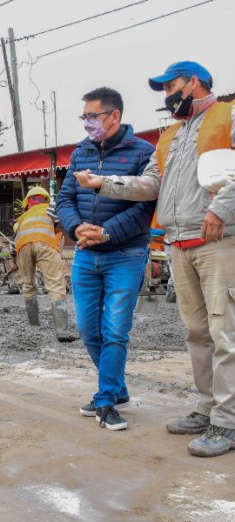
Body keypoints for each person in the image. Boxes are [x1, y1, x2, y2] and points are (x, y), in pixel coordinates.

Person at [75, 62, 235, 456]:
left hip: (218, 240)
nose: (167, 96)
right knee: (197, 333)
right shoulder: (172, 135)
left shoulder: (228, 116)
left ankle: (228, 421)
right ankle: (208, 407)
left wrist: (221, 209)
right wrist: (103, 183)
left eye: (171, 86)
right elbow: (152, 184)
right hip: (180, 243)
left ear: (194, 83)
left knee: (225, 333)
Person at [56, 87, 156, 432]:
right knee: (88, 329)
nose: (87, 123)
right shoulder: (80, 152)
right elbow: (65, 199)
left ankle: (106, 400)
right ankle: (117, 388)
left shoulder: (143, 152)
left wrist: (108, 232)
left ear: (115, 116)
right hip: (85, 253)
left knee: (115, 330)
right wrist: (76, 227)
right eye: (84, 116)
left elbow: (146, 206)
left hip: (125, 254)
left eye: (93, 116)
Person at [9, 187, 74, 342]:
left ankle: (34, 325)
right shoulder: (50, 208)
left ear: (27, 202)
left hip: (23, 247)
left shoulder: (22, 218)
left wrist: (14, 263)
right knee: (55, 285)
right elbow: (61, 225)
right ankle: (62, 330)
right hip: (45, 244)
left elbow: (12, 245)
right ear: (45, 199)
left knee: (28, 285)